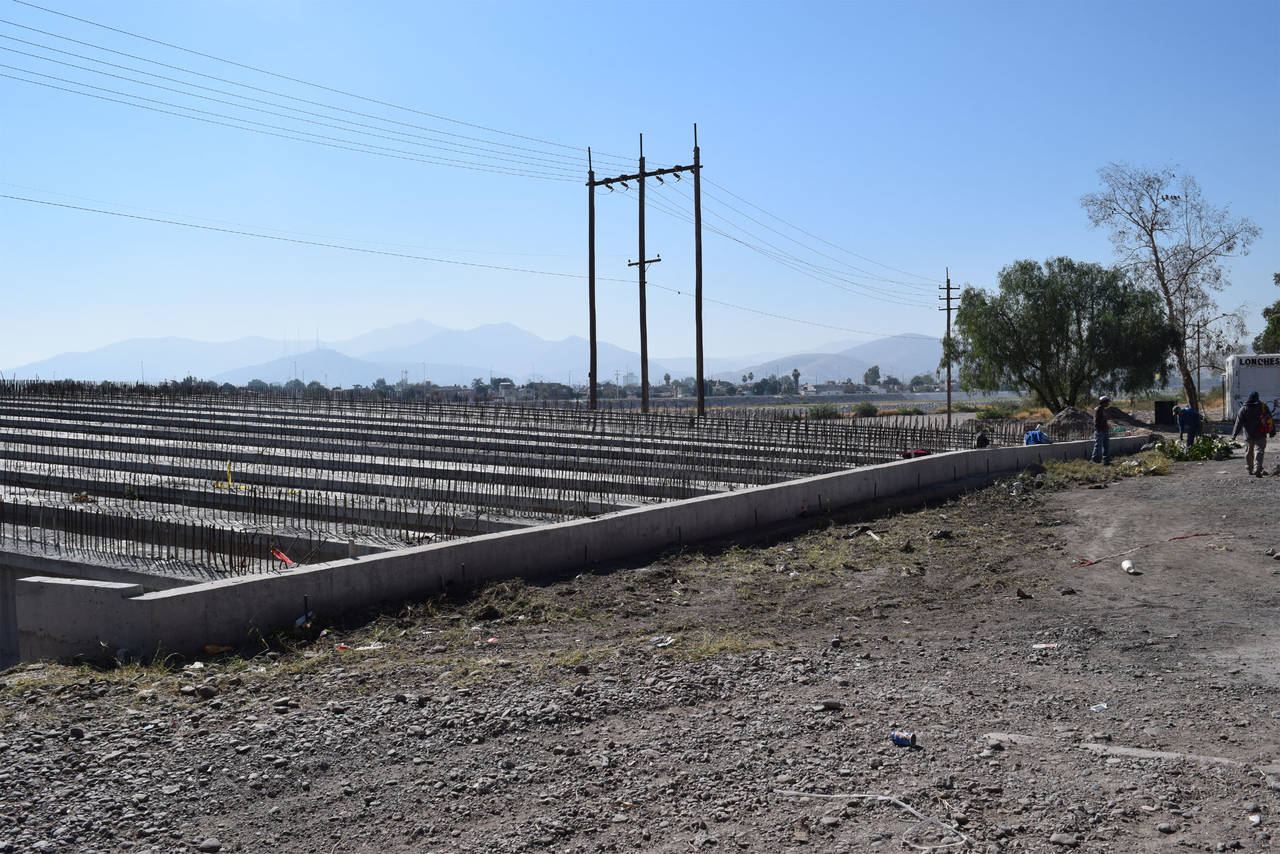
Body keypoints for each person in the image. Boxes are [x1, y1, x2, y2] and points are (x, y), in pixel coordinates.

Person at [1231, 391, 1276, 477]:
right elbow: (1269, 419)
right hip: (1260, 434)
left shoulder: (1244, 408)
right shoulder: (1263, 407)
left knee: (1249, 451)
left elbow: (1238, 423)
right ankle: (1258, 468)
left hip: (1248, 435)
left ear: (1249, 398)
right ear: (1257, 398)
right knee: (1259, 451)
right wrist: (1272, 431)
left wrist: (1234, 435)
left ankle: (1249, 468)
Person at [1091, 395, 1112, 465]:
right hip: (1100, 431)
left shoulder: (1103, 409)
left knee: (1106, 446)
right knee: (1098, 446)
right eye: (1107, 402)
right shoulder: (1098, 410)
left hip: (1104, 430)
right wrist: (1099, 430)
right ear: (1103, 402)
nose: (1108, 403)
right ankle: (1095, 460)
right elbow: (1096, 421)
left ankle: (1106, 459)